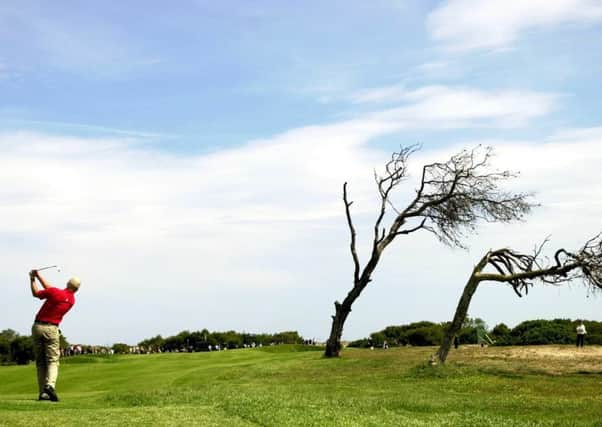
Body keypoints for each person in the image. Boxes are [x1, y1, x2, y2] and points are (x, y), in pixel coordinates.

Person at [29, 269, 81, 402]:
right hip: (52, 329)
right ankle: (50, 386)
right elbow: (51, 289)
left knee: (41, 362)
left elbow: (36, 293)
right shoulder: (71, 300)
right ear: (76, 290)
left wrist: (32, 278)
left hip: (37, 327)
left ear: (67, 283)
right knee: (52, 361)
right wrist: (39, 275)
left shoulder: (55, 292)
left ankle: (43, 393)